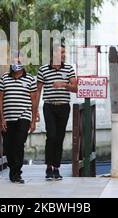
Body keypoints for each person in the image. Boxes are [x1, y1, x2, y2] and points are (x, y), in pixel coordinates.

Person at [36, 44, 77, 180]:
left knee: (59, 137)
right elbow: (37, 91)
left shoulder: (69, 69)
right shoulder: (43, 70)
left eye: (65, 53)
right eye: (62, 52)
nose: (64, 55)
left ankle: (56, 168)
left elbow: (76, 88)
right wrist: (34, 110)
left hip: (64, 107)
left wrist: (65, 85)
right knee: (51, 136)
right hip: (49, 107)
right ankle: (49, 167)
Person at [0, 57, 37, 184]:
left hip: (23, 117)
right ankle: (13, 169)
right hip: (8, 118)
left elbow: (34, 101)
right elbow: (0, 99)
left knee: (19, 144)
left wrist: (33, 120)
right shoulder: (4, 78)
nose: (16, 64)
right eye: (14, 62)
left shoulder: (30, 79)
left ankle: (17, 172)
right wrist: (2, 118)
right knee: (8, 145)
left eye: (19, 62)